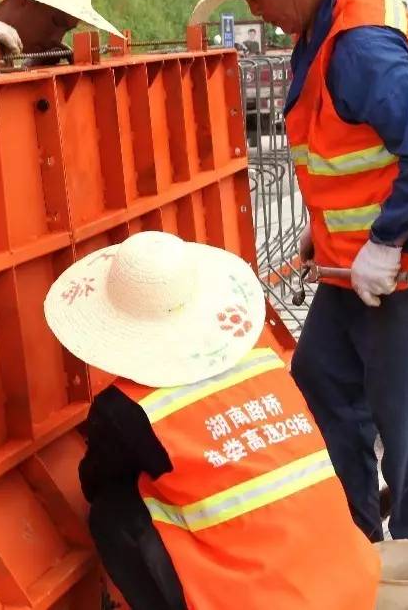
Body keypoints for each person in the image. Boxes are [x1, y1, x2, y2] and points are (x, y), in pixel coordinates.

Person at [189, 0, 408, 544]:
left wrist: (384, 242)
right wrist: (320, 227)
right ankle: (356, 542)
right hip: (356, 260)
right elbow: (348, 149)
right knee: (322, 378)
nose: (252, 8)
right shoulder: (321, 26)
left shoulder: (357, 46)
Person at [45, 231, 380, 610]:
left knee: (113, 513)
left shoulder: (125, 409)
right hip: (354, 590)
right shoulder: (263, 362)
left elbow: (95, 482)